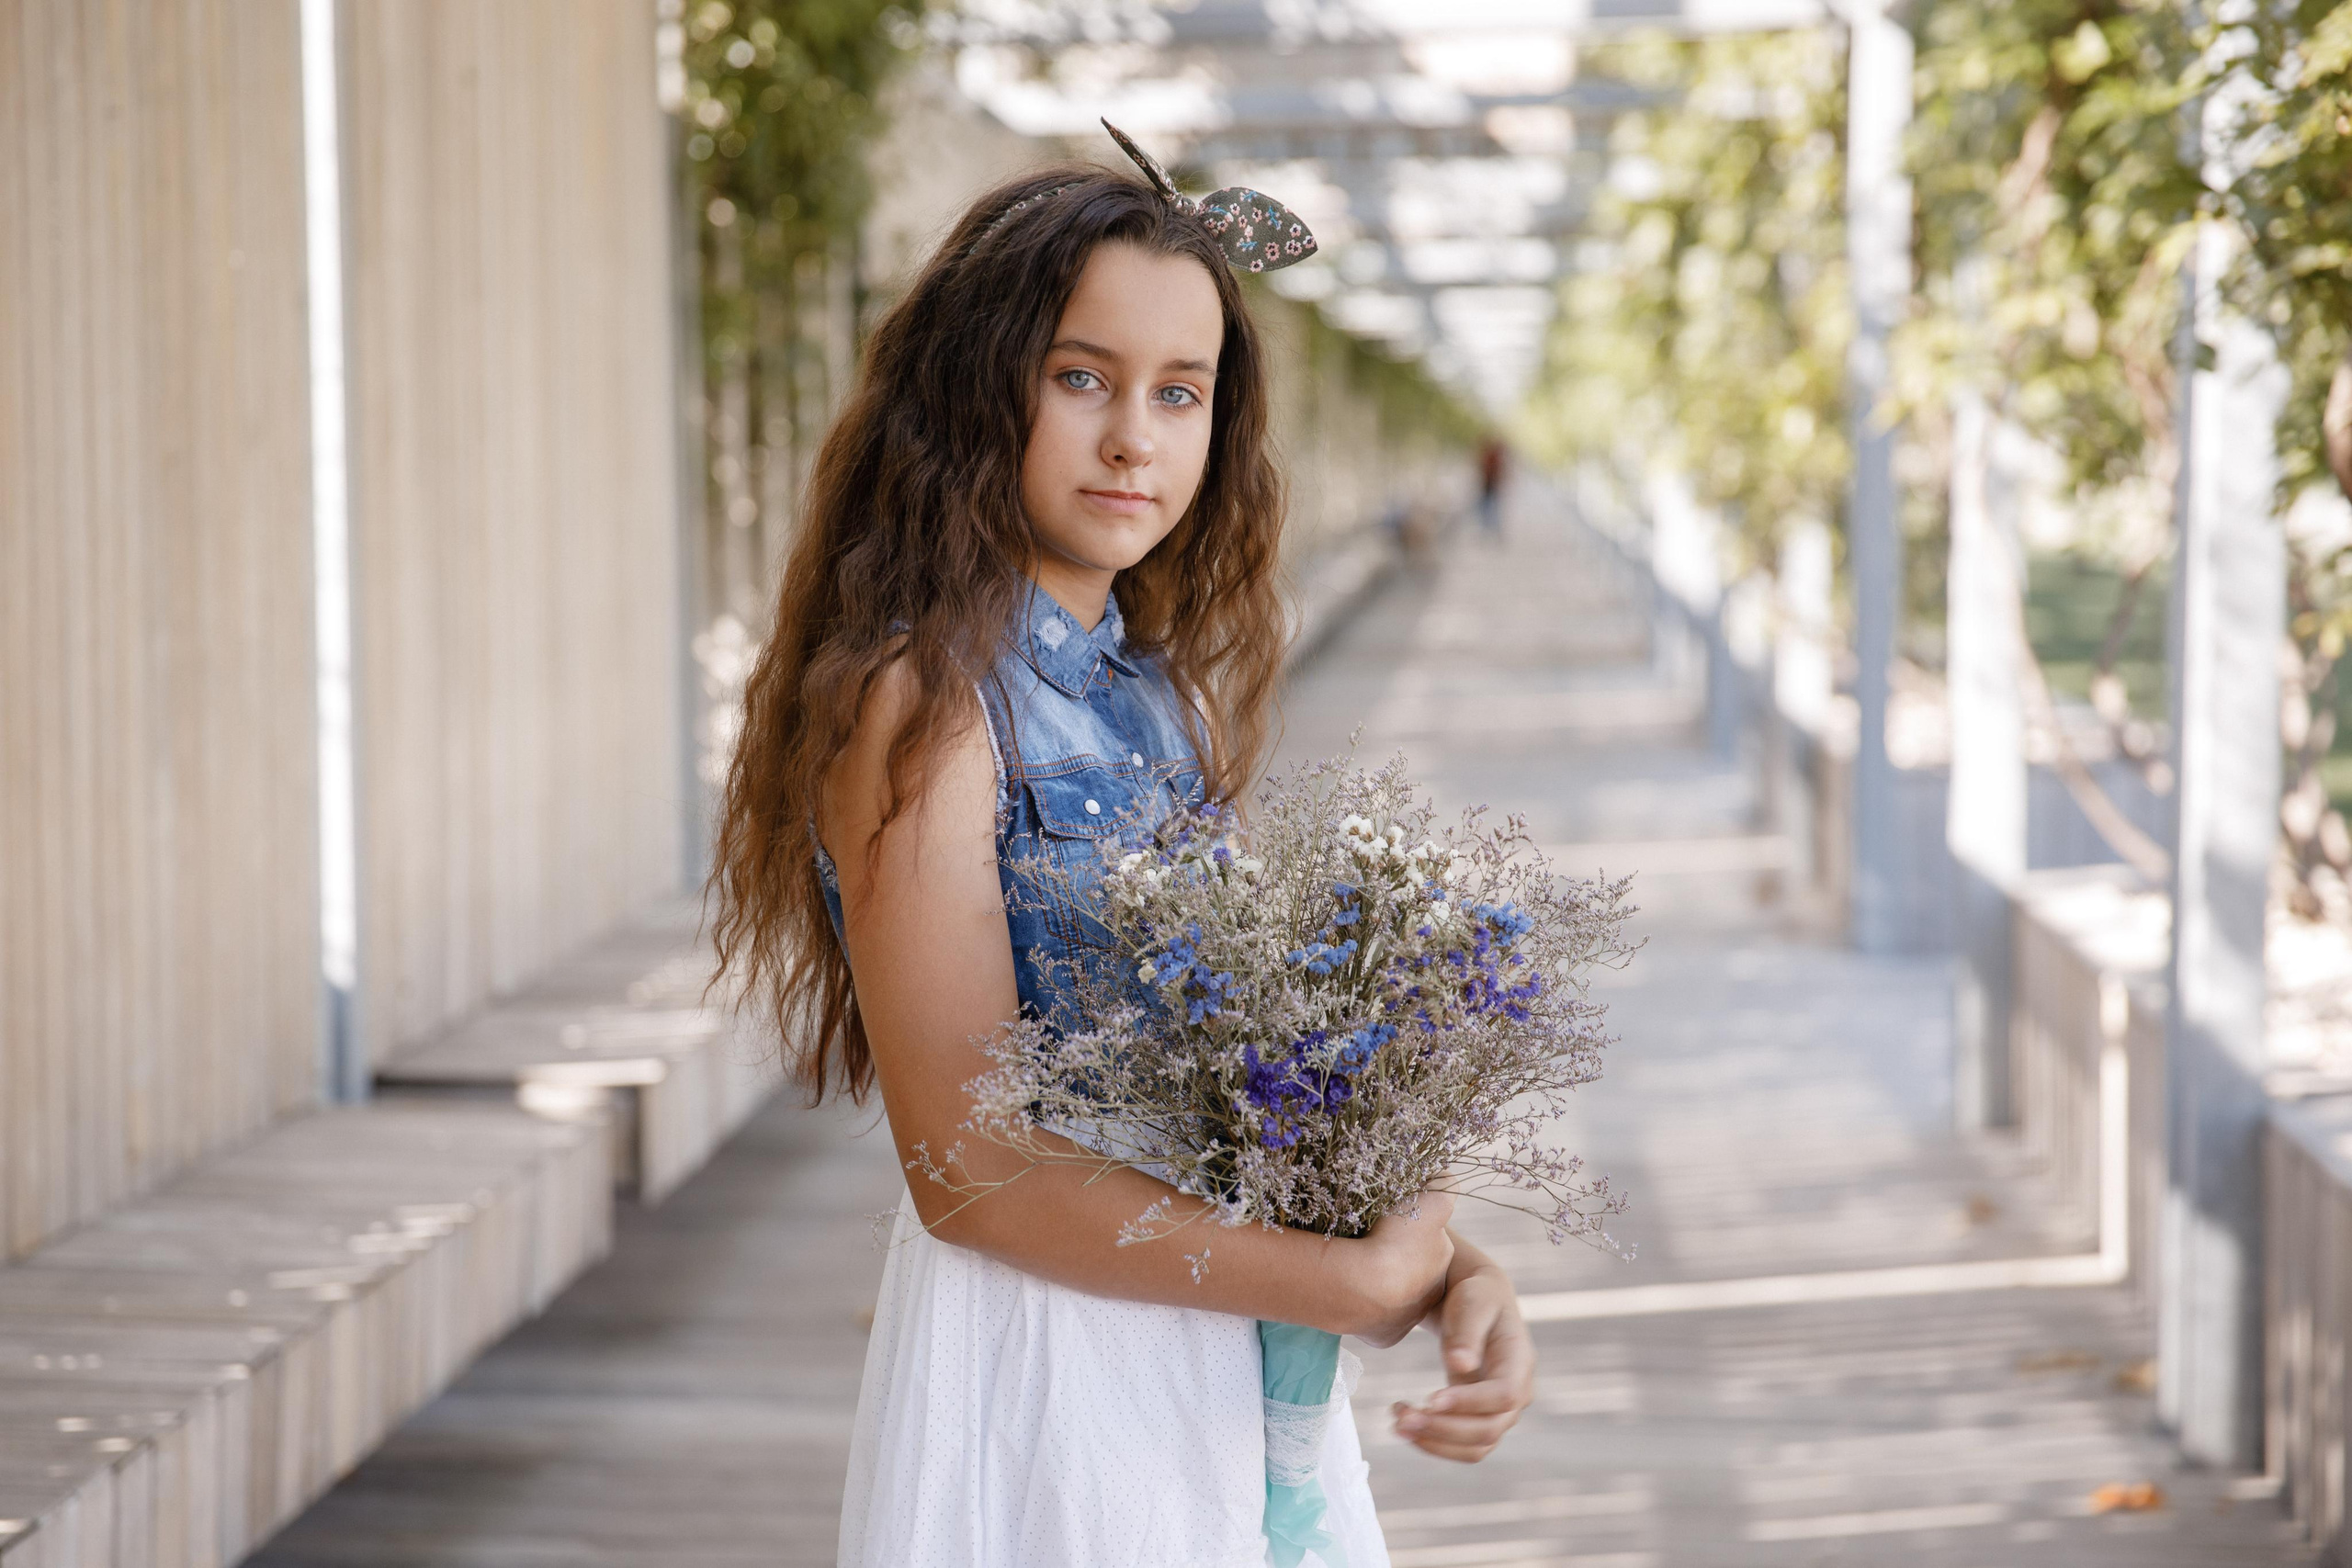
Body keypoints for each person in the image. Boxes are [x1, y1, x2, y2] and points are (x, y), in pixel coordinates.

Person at [707, 128, 1535, 1568]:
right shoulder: (924, 702)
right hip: (1051, 1362)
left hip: (1215, 1334)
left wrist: (1452, 1267)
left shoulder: (1157, 687)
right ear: (979, 391)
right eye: (1080, 376)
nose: (1134, 435)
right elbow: (970, 1169)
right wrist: (1352, 1282)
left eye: (1181, 391)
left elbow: (1230, 1084)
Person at [1476, 437, 1509, 538]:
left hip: (1490, 486)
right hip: (1489, 486)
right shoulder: (1493, 458)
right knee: (1488, 509)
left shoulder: (1492, 458)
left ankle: (1492, 532)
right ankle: (1491, 531)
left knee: (1489, 509)